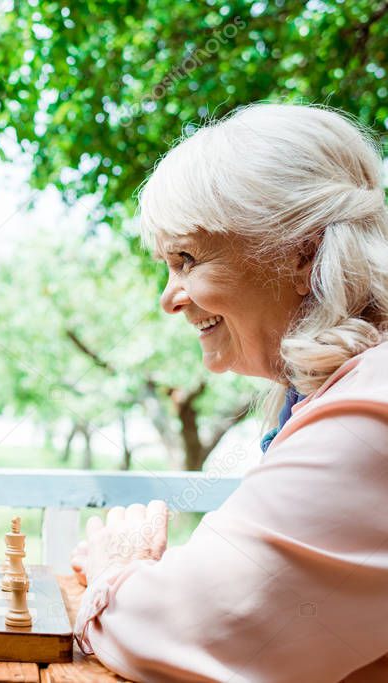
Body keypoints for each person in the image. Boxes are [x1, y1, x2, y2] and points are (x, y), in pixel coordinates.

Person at [69, 104, 388, 681]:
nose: (169, 298)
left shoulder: (369, 413)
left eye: (186, 259)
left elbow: (185, 630)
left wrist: (115, 574)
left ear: (302, 254)